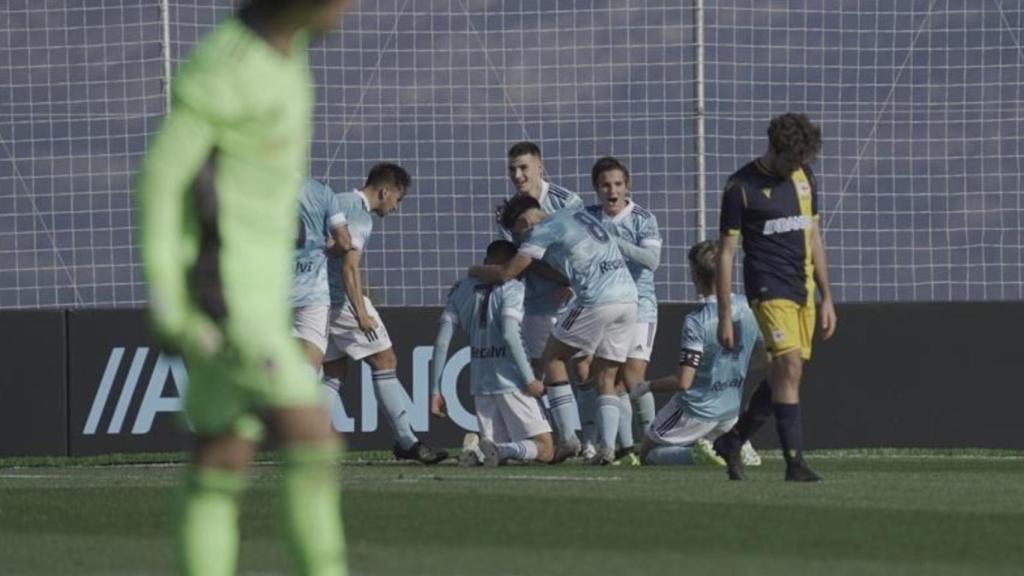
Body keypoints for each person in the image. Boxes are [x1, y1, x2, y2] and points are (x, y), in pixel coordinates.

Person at [136, 1, 354, 574]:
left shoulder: (290, 50)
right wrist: (167, 294)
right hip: (228, 297)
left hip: (258, 295)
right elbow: (161, 179)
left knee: (221, 457)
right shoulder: (226, 67)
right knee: (313, 441)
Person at [713, 113, 837, 482]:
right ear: (774, 149)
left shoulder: (805, 178)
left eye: (802, 162)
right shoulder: (741, 187)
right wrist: (724, 315)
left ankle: (733, 441)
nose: (796, 167)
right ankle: (794, 463)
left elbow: (814, 238)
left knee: (785, 373)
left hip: (803, 290)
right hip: (767, 289)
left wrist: (827, 296)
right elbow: (725, 254)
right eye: (791, 160)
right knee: (790, 367)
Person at [470, 195, 638, 465]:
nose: (520, 241)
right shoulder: (575, 215)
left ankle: (568, 439)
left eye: (518, 235)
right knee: (606, 375)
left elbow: (507, 273)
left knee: (553, 359)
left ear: (525, 222)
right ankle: (607, 450)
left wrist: (476, 270)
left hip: (597, 299)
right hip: (629, 298)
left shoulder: (542, 230)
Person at [321, 163, 448, 465]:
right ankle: (407, 441)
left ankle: (307, 439)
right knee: (385, 359)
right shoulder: (360, 215)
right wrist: (361, 312)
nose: (396, 208)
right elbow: (349, 267)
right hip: (339, 300)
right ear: (384, 191)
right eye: (398, 200)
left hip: (314, 299)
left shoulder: (337, 200)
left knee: (335, 371)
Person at [632, 241, 767, 467]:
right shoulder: (748, 307)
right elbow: (768, 357)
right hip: (729, 408)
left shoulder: (697, 321)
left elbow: (684, 381)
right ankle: (738, 447)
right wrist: (735, 368)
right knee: (721, 431)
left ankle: (695, 454)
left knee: (647, 454)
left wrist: (645, 387)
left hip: (695, 409)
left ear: (695, 275)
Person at [430, 240, 553, 466]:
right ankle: (497, 450)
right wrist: (529, 378)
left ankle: (476, 452)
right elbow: (509, 333)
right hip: (511, 380)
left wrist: (435, 390)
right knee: (546, 449)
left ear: (487, 262)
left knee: (501, 457)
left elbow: (441, 343)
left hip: (481, 382)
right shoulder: (513, 287)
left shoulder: (461, 289)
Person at [500, 142, 584, 440]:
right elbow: (523, 261)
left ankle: (590, 438)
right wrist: (559, 278)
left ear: (539, 166)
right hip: (537, 305)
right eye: (512, 169)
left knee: (583, 370)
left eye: (523, 167)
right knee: (538, 373)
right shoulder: (510, 212)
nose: (518, 175)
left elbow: (581, 249)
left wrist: (570, 282)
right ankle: (553, 438)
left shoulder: (567, 201)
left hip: (577, 302)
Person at [579, 157, 660, 464]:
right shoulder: (587, 217)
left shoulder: (642, 218)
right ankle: (618, 448)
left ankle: (653, 439)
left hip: (640, 305)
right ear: (597, 189)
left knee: (633, 377)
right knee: (607, 378)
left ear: (627, 187)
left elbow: (651, 261)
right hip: (604, 305)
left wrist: (613, 241)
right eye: (605, 185)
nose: (611, 190)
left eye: (617, 184)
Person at [291, 178, 351, 369]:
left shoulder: (259, 187)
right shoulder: (322, 192)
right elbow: (344, 243)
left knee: (269, 372)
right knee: (308, 372)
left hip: (269, 292)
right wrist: (329, 249)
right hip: (311, 296)